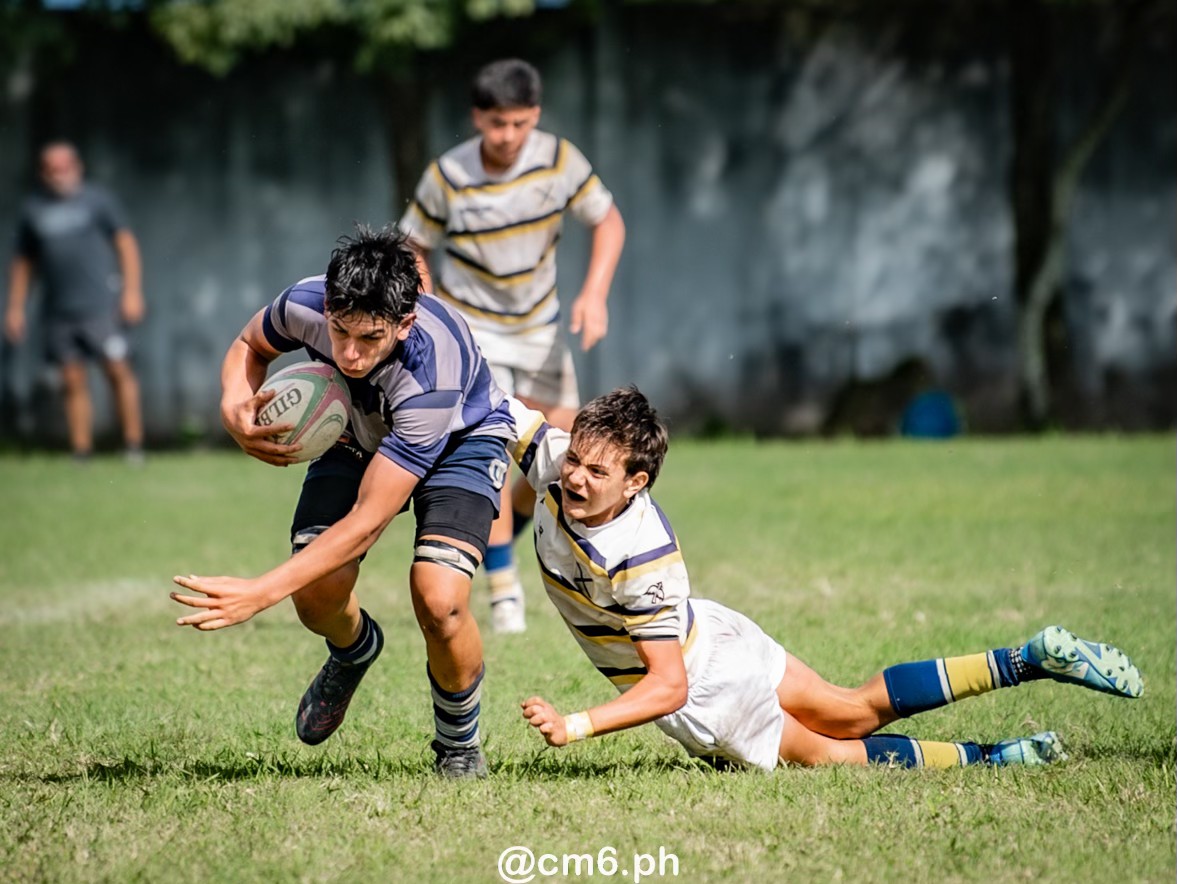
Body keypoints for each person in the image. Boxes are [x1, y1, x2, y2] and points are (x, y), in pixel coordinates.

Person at [506, 387, 1144, 771]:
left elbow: (667, 687)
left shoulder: (640, 558)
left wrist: (577, 724)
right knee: (853, 708)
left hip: (704, 687)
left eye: (596, 471)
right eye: (576, 462)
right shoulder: (560, 462)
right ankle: (1026, 659)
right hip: (713, 631)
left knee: (838, 754)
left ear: (636, 482)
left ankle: (993, 758)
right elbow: (493, 405)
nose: (576, 479)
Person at [170, 226, 516, 779]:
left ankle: (458, 743)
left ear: (404, 324)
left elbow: (367, 520)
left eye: (370, 339)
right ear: (328, 305)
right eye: (339, 331)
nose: (350, 354)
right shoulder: (304, 302)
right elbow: (248, 346)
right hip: (357, 431)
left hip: (460, 441)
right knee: (315, 595)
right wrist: (234, 406)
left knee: (439, 598)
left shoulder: (431, 374)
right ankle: (355, 648)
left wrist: (259, 592)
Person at [399, 58, 626, 636]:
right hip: (476, 329)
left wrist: (594, 294)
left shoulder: (558, 160)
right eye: (498, 124)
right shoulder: (448, 175)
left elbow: (608, 222)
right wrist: (432, 315)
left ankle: (504, 546)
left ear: (536, 117)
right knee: (495, 454)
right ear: (478, 118)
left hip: (542, 328)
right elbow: (413, 245)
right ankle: (504, 592)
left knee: (565, 452)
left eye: (521, 123)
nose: (509, 137)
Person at [4, 141, 146, 462]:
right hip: (59, 311)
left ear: (77, 167)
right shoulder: (33, 210)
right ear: (42, 173)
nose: (59, 174)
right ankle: (81, 451)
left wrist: (132, 292)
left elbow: (126, 244)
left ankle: (133, 446)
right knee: (71, 379)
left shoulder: (98, 201)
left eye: (65, 166)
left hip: (101, 307)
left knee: (118, 370)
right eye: (52, 168)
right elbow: (23, 263)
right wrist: (14, 308)